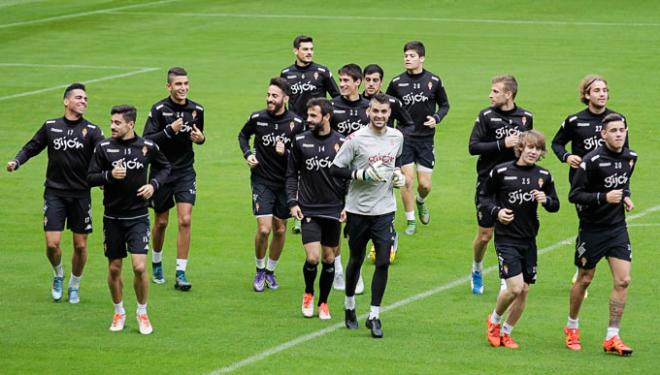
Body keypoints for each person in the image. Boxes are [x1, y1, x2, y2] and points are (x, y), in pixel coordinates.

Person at [6, 83, 104, 304]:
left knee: (80, 245)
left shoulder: (93, 131)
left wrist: (104, 179)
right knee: (52, 243)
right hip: (55, 193)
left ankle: (75, 285)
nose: (83, 101)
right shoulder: (51, 126)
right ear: (66, 101)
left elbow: (103, 156)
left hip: (81, 194)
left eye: (86, 98)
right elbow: (32, 146)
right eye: (79, 97)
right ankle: (58, 274)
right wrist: (17, 161)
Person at [88, 105, 171, 334]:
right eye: (111, 122)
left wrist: (153, 185)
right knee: (114, 269)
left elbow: (165, 167)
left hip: (138, 217)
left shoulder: (147, 146)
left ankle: (142, 312)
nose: (112, 126)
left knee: (139, 266)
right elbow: (90, 177)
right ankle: (119, 311)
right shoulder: (103, 147)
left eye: (117, 122)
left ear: (130, 124)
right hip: (112, 218)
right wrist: (109, 176)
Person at [330, 93, 405, 338]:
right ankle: (350, 304)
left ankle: (374, 316)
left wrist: (397, 176)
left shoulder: (397, 137)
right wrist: (360, 175)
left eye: (384, 112)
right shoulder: (355, 139)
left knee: (383, 261)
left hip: (385, 209)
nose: (380, 116)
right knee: (356, 259)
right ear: (368, 112)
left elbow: (395, 162)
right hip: (358, 210)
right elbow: (335, 169)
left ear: (389, 114)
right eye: (375, 111)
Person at [564, 113, 636, 356]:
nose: (618, 134)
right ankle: (572, 326)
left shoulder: (630, 157)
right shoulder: (591, 161)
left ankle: (612, 336)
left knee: (623, 280)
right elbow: (574, 195)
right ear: (603, 135)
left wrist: (625, 196)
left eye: (621, 130)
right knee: (584, 279)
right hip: (592, 230)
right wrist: (603, 197)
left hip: (617, 229)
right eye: (613, 130)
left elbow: (624, 183)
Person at [481, 130, 559, 349]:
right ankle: (494, 321)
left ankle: (507, 332)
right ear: (521, 148)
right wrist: (497, 212)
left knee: (524, 290)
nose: (533, 152)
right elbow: (484, 197)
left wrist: (546, 200)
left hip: (529, 239)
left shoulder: (543, 175)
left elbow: (556, 205)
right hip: (506, 239)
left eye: (538, 148)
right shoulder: (502, 171)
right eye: (530, 147)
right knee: (514, 288)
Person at [551, 74, 628, 296]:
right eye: (596, 90)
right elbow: (556, 142)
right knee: (588, 222)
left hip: (610, 184)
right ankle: (583, 269)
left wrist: (626, 191)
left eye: (604, 90)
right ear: (586, 95)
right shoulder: (575, 121)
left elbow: (625, 155)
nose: (602, 94)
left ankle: (591, 268)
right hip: (583, 185)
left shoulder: (617, 120)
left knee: (609, 224)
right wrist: (566, 156)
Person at [468, 75, 533, 295]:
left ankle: (506, 277)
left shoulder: (525, 118)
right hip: (488, 183)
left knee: (508, 232)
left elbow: (528, 150)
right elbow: (473, 147)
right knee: (485, 234)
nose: (490, 95)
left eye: (495, 91)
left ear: (509, 94)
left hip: (513, 185)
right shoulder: (486, 116)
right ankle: (476, 267)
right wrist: (501, 143)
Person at [238, 77, 304, 292]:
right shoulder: (257, 118)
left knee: (280, 229)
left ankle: (270, 271)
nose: (269, 99)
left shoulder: (296, 123)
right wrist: (248, 154)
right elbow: (242, 135)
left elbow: (301, 154)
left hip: (286, 183)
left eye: (274, 96)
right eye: (268, 95)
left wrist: (285, 153)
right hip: (262, 180)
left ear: (285, 98)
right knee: (264, 229)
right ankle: (259, 270)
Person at [143, 67, 205, 291]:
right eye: (178, 84)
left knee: (185, 220)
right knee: (161, 222)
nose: (183, 88)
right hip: (162, 172)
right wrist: (169, 130)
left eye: (186, 83)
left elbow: (197, 135)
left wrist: (201, 139)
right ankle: (157, 262)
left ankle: (181, 271)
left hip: (185, 172)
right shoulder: (159, 110)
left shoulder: (197, 109)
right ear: (169, 86)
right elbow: (147, 142)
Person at [286, 98, 346, 319]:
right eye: (307, 115)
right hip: (309, 209)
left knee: (329, 259)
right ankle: (309, 293)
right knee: (312, 258)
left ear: (327, 117)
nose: (308, 120)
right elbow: (291, 174)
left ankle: (324, 302)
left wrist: (347, 205)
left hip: (333, 208)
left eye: (313, 116)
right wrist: (293, 202)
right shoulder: (300, 140)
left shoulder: (341, 142)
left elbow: (348, 178)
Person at [386, 41, 449, 235]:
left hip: (426, 140)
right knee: (406, 181)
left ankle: (421, 201)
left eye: (412, 56)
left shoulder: (434, 81)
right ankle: (411, 220)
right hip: (405, 138)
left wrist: (436, 118)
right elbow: (387, 108)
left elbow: (445, 105)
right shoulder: (397, 83)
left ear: (421, 58)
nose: (407, 58)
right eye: (405, 55)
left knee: (424, 185)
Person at [280, 35, 340, 235]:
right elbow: (283, 100)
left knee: (314, 170)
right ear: (295, 51)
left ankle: (317, 209)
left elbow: (336, 97)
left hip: (318, 128)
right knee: (295, 169)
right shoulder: (286, 73)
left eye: (311, 49)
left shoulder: (321, 72)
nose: (309, 52)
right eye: (305, 49)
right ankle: (298, 211)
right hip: (296, 129)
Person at [329, 63, 368, 293]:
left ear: (358, 83)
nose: (342, 84)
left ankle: (357, 269)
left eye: (346, 81)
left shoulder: (368, 107)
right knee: (335, 223)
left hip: (360, 176)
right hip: (336, 174)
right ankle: (338, 270)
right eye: (340, 80)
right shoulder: (332, 106)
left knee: (356, 227)